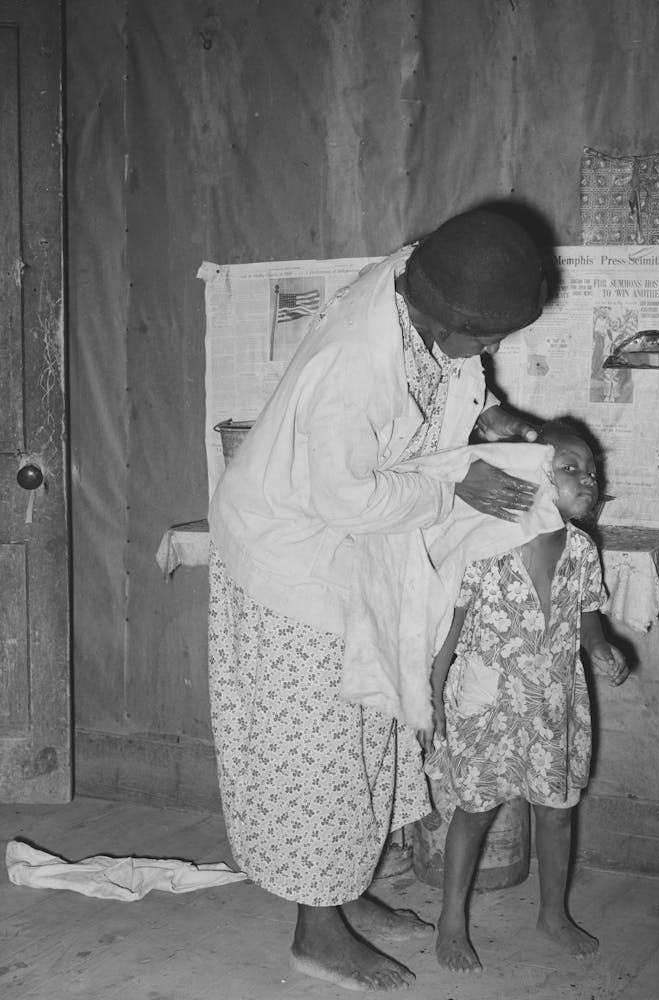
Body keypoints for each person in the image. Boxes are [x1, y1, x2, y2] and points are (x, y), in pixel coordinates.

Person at [207, 207, 547, 991]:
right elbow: (344, 497)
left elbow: (449, 383)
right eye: (489, 338)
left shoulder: (416, 286)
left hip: (348, 553)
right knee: (320, 752)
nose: (491, 351)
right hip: (293, 565)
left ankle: (345, 890)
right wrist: (455, 485)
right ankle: (316, 931)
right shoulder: (355, 366)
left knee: (369, 729)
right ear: (450, 319)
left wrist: (493, 421)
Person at [426, 420, 630, 974]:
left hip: (552, 702)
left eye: (591, 472)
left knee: (556, 812)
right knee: (474, 811)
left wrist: (601, 647)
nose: (587, 480)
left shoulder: (582, 550)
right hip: (486, 702)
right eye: (570, 468)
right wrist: (432, 695)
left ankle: (553, 915)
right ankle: (451, 921)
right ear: (531, 474)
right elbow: (450, 628)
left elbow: (587, 616)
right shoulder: (485, 544)